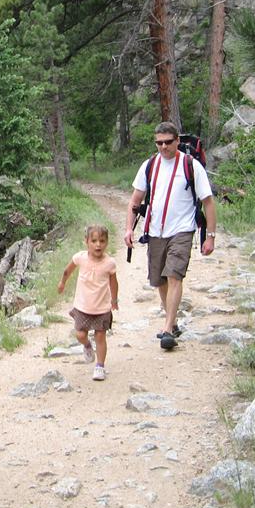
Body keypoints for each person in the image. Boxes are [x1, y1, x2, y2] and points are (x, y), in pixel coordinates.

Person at [123, 122, 216, 351]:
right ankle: (172, 322)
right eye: (159, 143)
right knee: (159, 280)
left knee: (174, 275)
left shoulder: (191, 166)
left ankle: (166, 329)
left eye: (167, 142)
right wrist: (128, 229)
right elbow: (135, 201)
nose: (163, 147)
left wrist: (210, 236)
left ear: (177, 141)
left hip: (182, 230)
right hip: (155, 231)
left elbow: (208, 202)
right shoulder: (149, 166)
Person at [57, 224, 119, 380]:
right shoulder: (80, 258)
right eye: (94, 241)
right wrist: (62, 282)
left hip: (101, 308)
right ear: (87, 241)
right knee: (80, 334)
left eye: (102, 241)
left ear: (107, 242)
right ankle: (86, 346)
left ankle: (100, 366)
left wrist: (114, 299)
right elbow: (68, 270)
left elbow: (113, 282)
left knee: (100, 337)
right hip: (82, 306)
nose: (98, 245)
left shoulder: (109, 263)